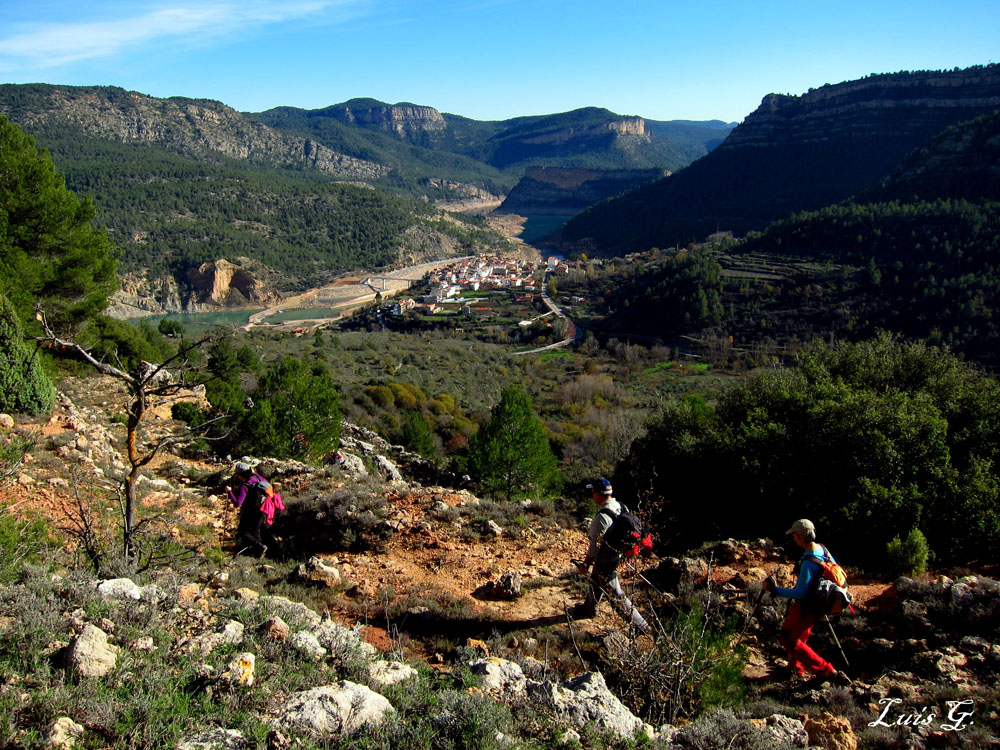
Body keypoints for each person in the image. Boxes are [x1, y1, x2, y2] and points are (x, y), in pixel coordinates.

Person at [763, 518, 849, 683]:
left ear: (801, 537)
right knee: (800, 637)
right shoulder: (822, 549)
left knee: (788, 638)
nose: (793, 538)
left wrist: (774, 589)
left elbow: (800, 593)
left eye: (794, 535)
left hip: (808, 606)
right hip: (821, 602)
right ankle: (795, 668)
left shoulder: (808, 563)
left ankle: (827, 671)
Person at [573, 478, 652, 635]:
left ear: (597, 493)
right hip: (616, 555)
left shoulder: (602, 517)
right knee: (595, 580)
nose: (592, 495)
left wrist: (586, 564)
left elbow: (595, 546)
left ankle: (641, 625)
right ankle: (589, 608)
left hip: (605, 559)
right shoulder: (620, 506)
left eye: (593, 492)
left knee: (615, 594)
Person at [227, 461, 272, 557]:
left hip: (250, 511)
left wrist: (229, 492)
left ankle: (259, 548)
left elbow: (238, 503)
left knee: (242, 532)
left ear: (240, 475)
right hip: (262, 508)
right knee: (255, 531)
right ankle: (257, 553)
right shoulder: (257, 477)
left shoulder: (245, 486)